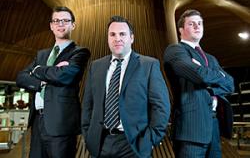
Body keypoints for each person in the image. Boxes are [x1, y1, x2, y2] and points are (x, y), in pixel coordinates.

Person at [81, 16, 170, 158]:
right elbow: (88, 105)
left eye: (122, 34)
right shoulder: (96, 66)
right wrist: (87, 135)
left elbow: (161, 106)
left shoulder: (148, 65)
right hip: (100, 144)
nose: (117, 38)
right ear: (108, 38)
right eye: (112, 34)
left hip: (134, 145)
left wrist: (150, 140)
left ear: (132, 38)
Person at [16, 6, 90, 158]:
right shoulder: (41, 54)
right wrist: (42, 82)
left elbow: (64, 76)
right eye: (56, 21)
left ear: (73, 25)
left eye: (65, 21)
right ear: (51, 26)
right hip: (37, 122)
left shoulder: (79, 52)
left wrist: (37, 70)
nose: (60, 24)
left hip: (61, 124)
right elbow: (21, 77)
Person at [163, 9, 235, 158]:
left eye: (200, 23)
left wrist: (210, 83)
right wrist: (216, 76)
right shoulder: (175, 51)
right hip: (191, 129)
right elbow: (199, 75)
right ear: (181, 29)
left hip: (214, 127)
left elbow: (230, 84)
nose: (197, 26)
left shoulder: (211, 58)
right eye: (191, 23)